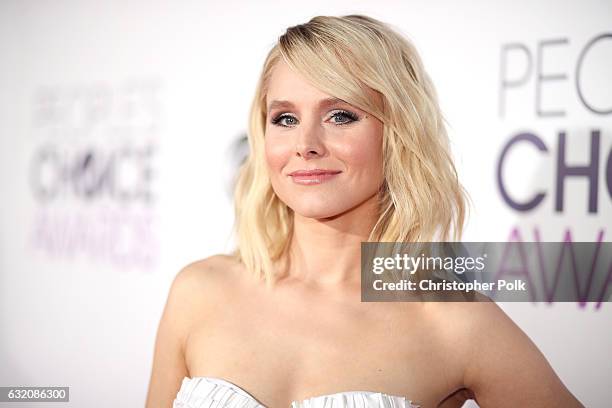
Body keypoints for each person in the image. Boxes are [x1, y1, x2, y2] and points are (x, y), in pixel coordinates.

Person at [145, 14, 583, 408]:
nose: (306, 144)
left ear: (397, 134)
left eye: (340, 115)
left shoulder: (453, 322)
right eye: (285, 118)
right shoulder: (199, 291)